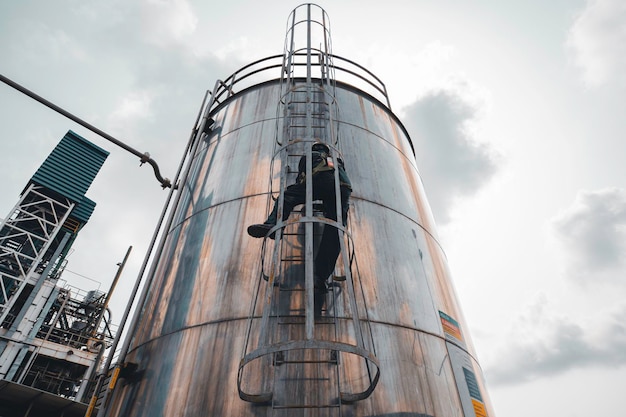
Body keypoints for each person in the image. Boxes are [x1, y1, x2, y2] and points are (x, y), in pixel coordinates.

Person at [247, 142, 352, 291]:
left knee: (287, 196)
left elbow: (303, 178)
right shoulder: (336, 160)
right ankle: (320, 277)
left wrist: (301, 191)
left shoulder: (309, 156)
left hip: (319, 181)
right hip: (342, 189)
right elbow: (333, 182)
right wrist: (326, 206)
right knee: (335, 231)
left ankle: (274, 223)